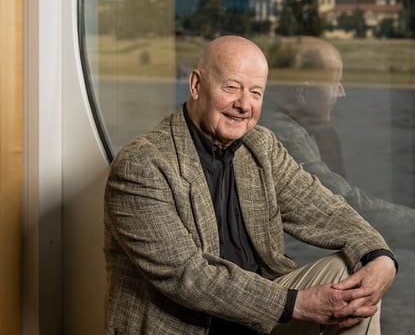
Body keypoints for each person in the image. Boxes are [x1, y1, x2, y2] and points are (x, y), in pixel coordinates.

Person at [103, 35, 397, 335]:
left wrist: (380, 256)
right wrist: (299, 304)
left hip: (262, 319)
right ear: (195, 85)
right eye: (231, 87)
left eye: (255, 92)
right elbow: (188, 277)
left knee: (354, 277)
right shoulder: (142, 164)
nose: (244, 104)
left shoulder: (261, 146)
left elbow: (325, 210)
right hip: (189, 327)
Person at [261, 37, 415, 335]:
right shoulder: (280, 134)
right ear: (302, 92)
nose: (342, 92)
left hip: (287, 270)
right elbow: (339, 202)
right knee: (410, 267)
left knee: (403, 264)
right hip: (272, 287)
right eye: (335, 83)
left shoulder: (293, 128)